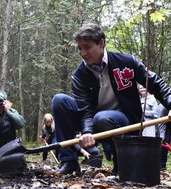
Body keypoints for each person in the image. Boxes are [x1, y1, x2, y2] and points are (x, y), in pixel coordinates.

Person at [51, 23, 171, 175]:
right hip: (92, 121)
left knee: (103, 118)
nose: (82, 53)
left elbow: (157, 84)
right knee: (59, 100)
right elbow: (85, 110)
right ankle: (69, 161)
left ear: (101, 43)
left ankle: (120, 160)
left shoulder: (126, 62)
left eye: (87, 47)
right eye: (79, 48)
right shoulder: (79, 75)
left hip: (124, 121)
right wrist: (87, 132)